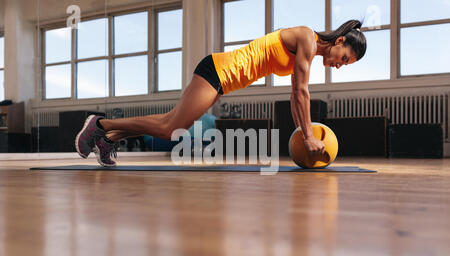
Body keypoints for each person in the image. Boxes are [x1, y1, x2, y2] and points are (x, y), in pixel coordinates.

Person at [75, 19, 366, 166]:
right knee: (170, 128)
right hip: (217, 71)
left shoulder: (307, 52)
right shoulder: (307, 38)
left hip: (222, 82)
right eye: (344, 58)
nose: (339, 65)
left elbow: (295, 95)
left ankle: (107, 138)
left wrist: (306, 132)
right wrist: (308, 136)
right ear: (339, 40)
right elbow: (302, 92)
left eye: (345, 65)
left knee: (170, 122)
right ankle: (100, 124)